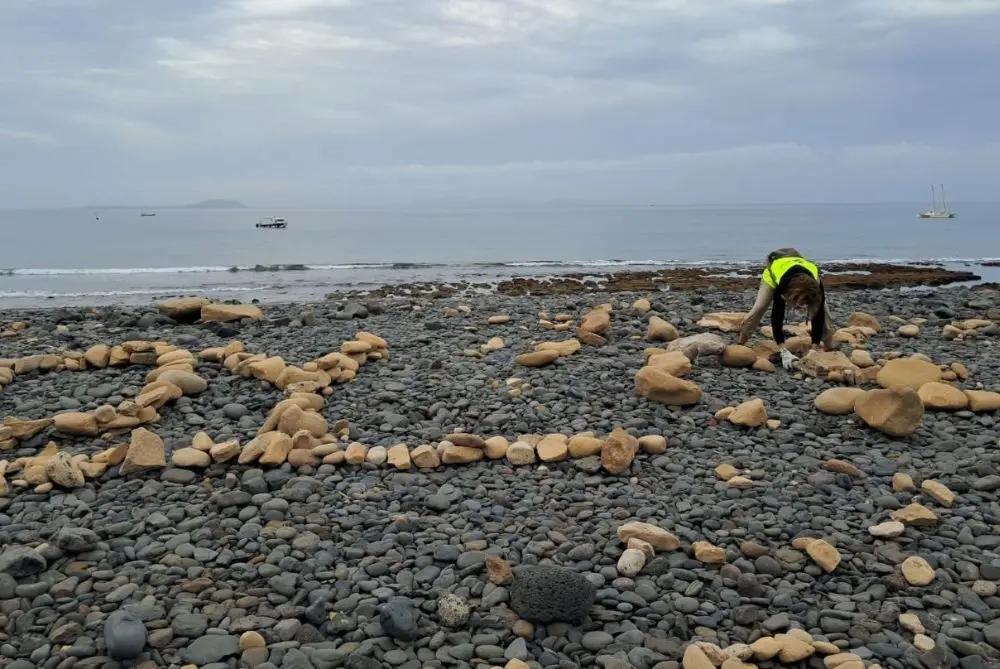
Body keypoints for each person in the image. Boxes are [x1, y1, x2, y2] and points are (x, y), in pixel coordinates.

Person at [738, 248, 834, 369]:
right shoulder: (784, 287)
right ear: (793, 295)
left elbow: (818, 316)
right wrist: (783, 350)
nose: (803, 306)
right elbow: (777, 317)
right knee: (759, 307)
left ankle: (829, 348)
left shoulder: (816, 287)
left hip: (803, 274)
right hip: (773, 276)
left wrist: (814, 346)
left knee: (824, 311)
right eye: (802, 302)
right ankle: (741, 341)